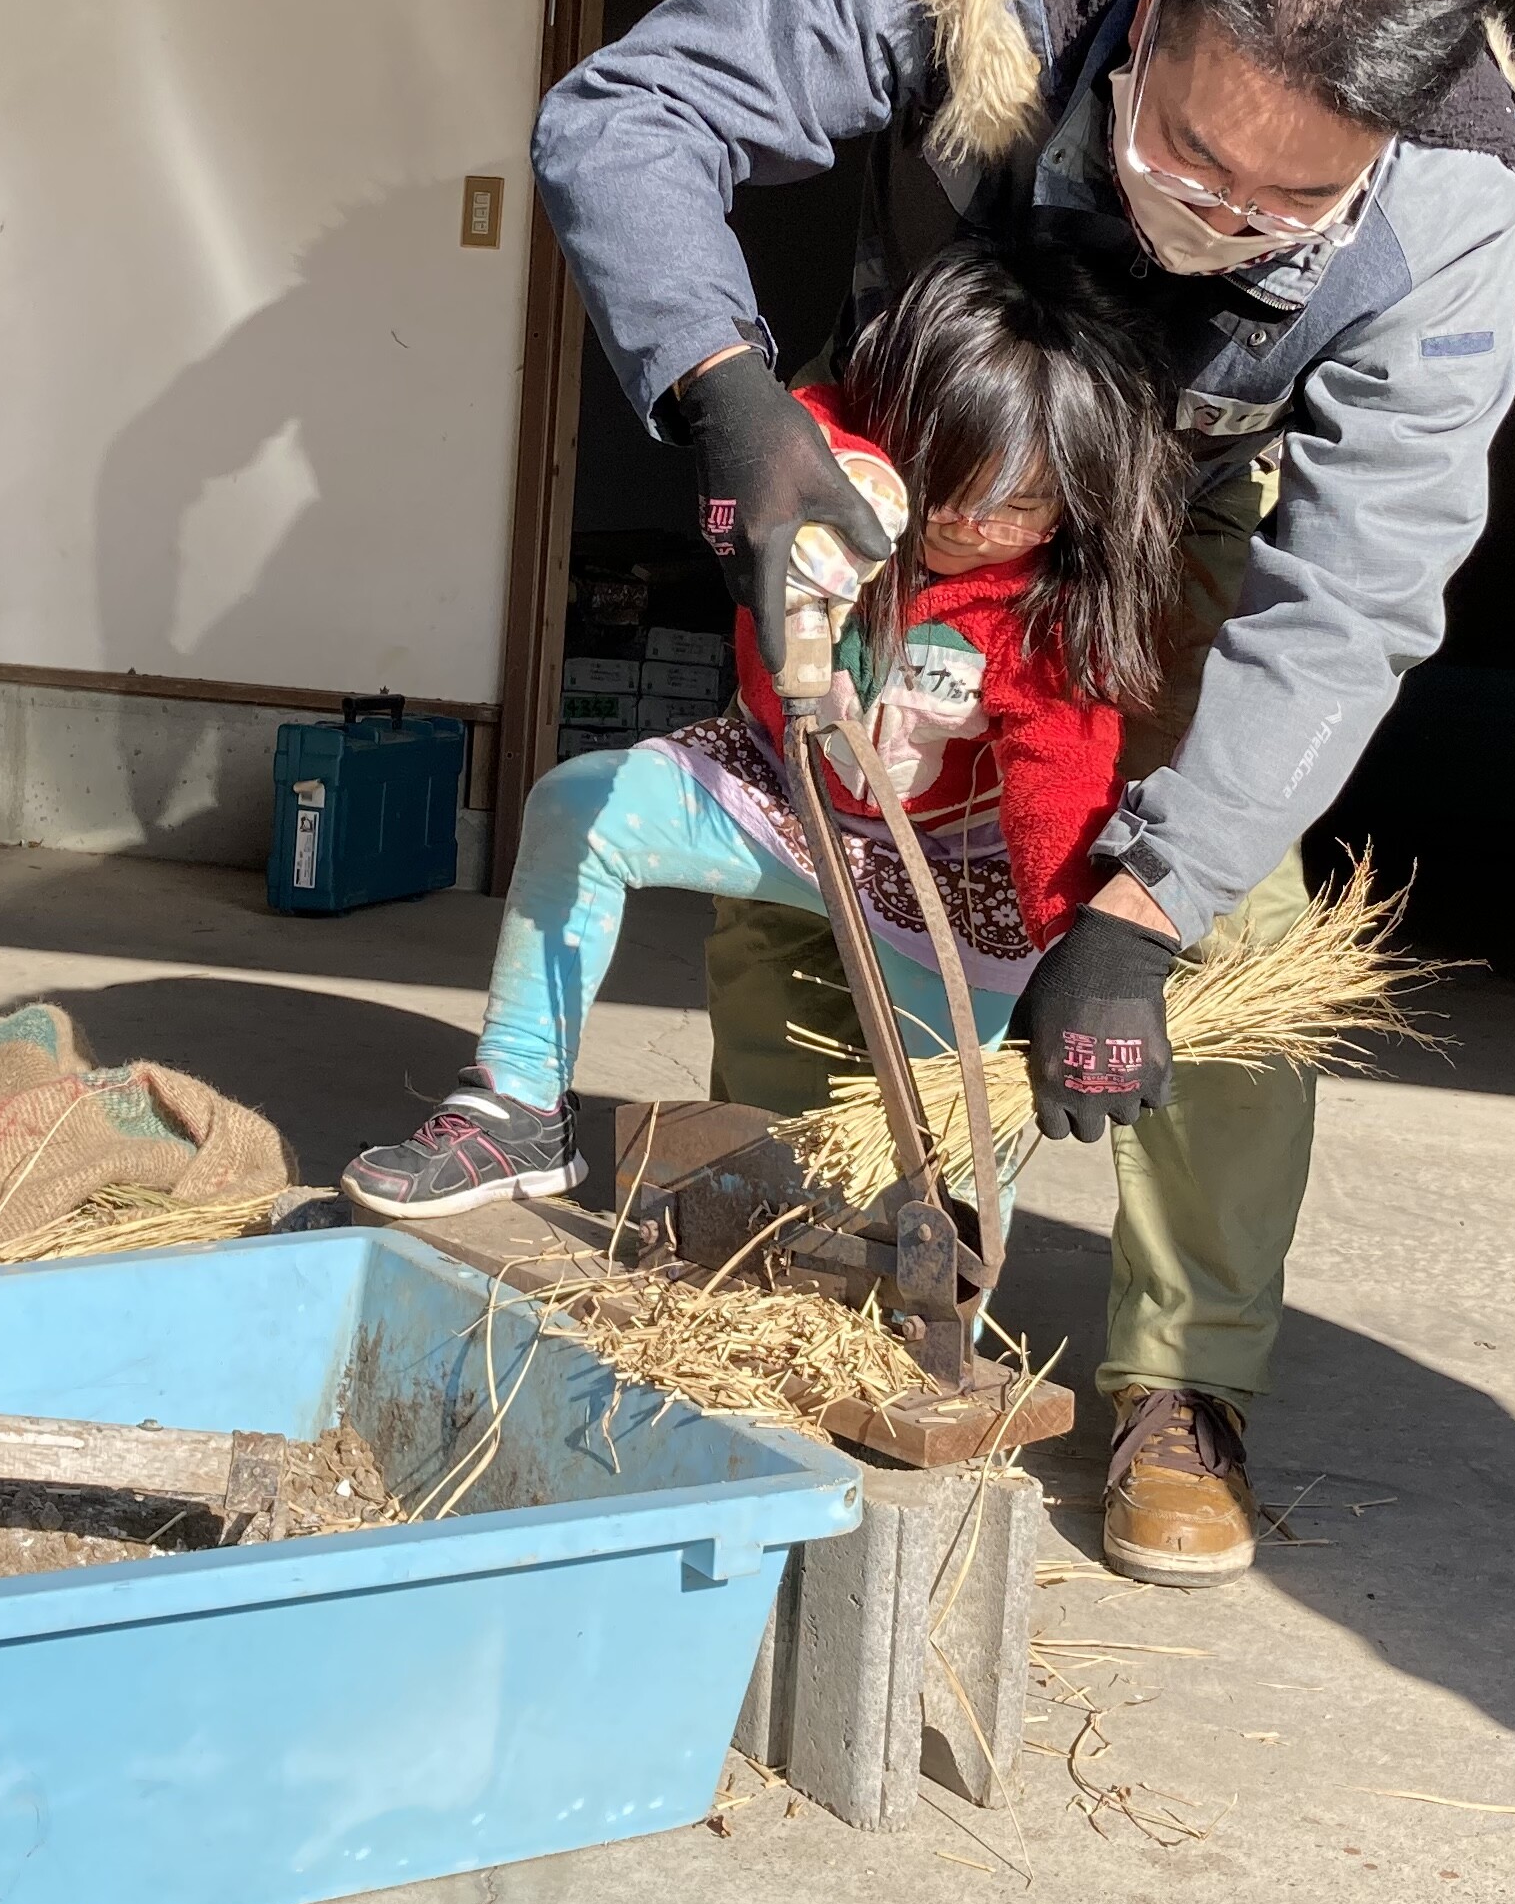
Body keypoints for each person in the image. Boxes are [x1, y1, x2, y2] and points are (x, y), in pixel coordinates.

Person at [531, 0, 1515, 1588]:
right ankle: (823, 1258)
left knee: (1229, 943)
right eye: (1182, 147)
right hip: (932, 467)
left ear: (1379, 160)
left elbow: (1353, 593)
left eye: (1275, 208)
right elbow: (624, 116)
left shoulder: (1443, 221)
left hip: (1175, 515)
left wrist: (1145, 906)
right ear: (1150, 3)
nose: (1207, 209)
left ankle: (1183, 1382)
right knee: (830, 843)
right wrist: (732, 401)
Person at [342, 245, 1184, 1227]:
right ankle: (519, 1108)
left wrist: (1066, 956)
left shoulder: (1050, 621)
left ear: (1076, 500)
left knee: (941, 1155)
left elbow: (1058, 791)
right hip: (785, 803)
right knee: (579, 805)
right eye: (949, 481)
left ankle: (921, 1303)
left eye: (1019, 507)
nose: (968, 520)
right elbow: (800, 425)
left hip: (946, 876)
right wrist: (838, 479)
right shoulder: (824, 479)